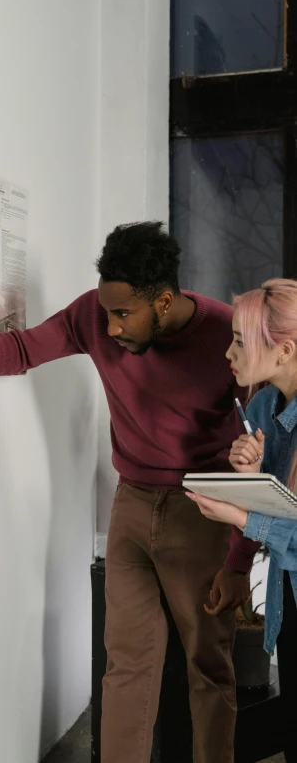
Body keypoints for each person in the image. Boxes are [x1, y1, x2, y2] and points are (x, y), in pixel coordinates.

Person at [0, 221, 258, 763]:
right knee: (126, 663)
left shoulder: (226, 336)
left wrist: (239, 562)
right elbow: (26, 348)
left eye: (125, 314)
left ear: (164, 302)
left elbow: (260, 449)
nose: (111, 327)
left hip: (202, 511)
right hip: (130, 507)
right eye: (106, 312)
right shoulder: (94, 316)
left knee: (208, 664)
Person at [186, 278, 297, 763]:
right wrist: (250, 475)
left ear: (284, 350)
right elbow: (280, 507)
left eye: (239, 341)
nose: (229, 354)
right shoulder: (262, 407)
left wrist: (236, 511)